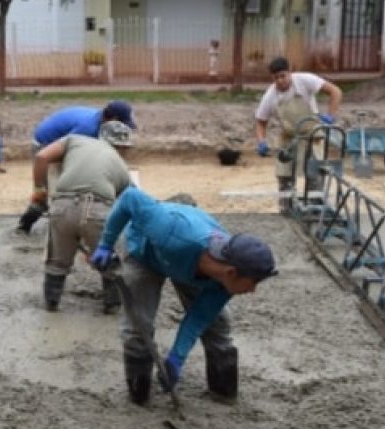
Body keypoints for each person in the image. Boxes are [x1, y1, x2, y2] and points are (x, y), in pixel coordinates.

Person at [89, 187, 277, 405]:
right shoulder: (172, 232)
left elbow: (199, 317)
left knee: (217, 324)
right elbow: (130, 198)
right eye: (254, 282)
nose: (253, 290)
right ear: (231, 272)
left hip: (190, 266)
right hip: (146, 253)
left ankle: (223, 392)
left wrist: (176, 358)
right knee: (138, 326)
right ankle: (139, 396)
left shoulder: (225, 282)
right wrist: (105, 244)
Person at [34, 121, 134, 314]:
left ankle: (52, 304)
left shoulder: (74, 140)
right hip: (99, 210)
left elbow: (41, 156)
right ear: (122, 147)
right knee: (110, 264)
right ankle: (112, 306)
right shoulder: (122, 168)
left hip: (62, 206)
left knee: (57, 262)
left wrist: (40, 191)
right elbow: (125, 207)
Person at [16, 101, 138, 234]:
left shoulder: (101, 123)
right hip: (45, 145)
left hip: (56, 142)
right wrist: (39, 188)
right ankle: (29, 223)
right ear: (113, 120)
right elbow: (50, 156)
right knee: (60, 190)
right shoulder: (86, 130)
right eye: (123, 124)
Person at [253, 56, 342, 211]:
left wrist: (330, 115)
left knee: (314, 174)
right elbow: (261, 121)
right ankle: (286, 210)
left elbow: (335, 91)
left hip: (311, 135)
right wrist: (261, 141)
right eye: (276, 78)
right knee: (285, 176)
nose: (280, 80)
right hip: (289, 138)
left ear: (290, 72)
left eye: (283, 76)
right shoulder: (270, 96)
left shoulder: (305, 80)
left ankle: (316, 209)